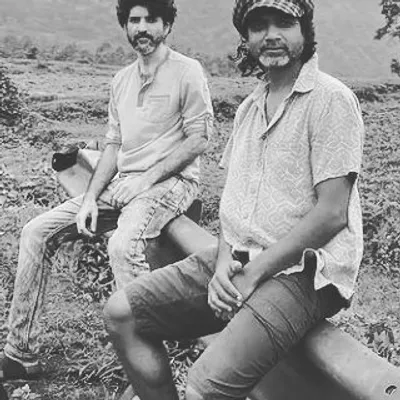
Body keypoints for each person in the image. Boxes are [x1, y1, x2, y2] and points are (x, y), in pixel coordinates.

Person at [104, 0, 364, 399]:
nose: (271, 35)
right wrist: (225, 261)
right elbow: (235, 203)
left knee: (202, 387)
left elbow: (331, 213)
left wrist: (253, 272)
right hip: (243, 255)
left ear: (305, 30)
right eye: (259, 26)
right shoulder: (248, 110)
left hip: (306, 271)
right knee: (121, 315)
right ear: (246, 38)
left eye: (283, 22)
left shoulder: (331, 99)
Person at [0, 0, 213, 381]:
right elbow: (113, 145)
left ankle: (149, 369)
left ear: (167, 25)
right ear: (125, 26)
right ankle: (20, 352)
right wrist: (88, 199)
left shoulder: (187, 71)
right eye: (134, 20)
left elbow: (199, 138)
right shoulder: (121, 80)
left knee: (122, 245)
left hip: (173, 183)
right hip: (122, 184)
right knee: (36, 232)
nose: (142, 27)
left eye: (151, 19)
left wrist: (146, 180)